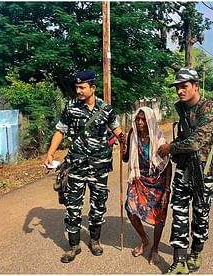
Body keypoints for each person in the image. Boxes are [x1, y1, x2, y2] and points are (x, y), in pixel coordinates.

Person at [44, 70, 125, 263]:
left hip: (100, 166)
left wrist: (125, 141)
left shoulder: (106, 109)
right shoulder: (71, 107)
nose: (78, 90)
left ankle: (95, 240)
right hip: (77, 165)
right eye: (76, 87)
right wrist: (50, 152)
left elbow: (117, 130)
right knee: (73, 206)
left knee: (98, 205)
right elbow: (60, 130)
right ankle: (74, 246)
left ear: (92, 88)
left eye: (82, 87)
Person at [157, 68, 213, 274]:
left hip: (204, 170)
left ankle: (195, 252)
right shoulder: (182, 110)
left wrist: (171, 148)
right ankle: (179, 260)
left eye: (184, 86)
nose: (179, 91)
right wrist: (168, 147)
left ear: (195, 86)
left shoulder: (209, 108)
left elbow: (196, 142)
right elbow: (183, 139)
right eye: (177, 87)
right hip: (184, 168)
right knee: (179, 212)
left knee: (200, 214)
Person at [122, 107, 172, 266]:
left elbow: (168, 165)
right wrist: (123, 145)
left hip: (157, 183)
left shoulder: (158, 138)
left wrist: (166, 190)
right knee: (130, 210)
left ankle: (155, 248)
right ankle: (144, 239)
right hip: (139, 179)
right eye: (137, 119)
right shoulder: (132, 134)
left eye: (143, 119)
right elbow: (125, 159)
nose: (139, 122)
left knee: (159, 218)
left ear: (149, 121)